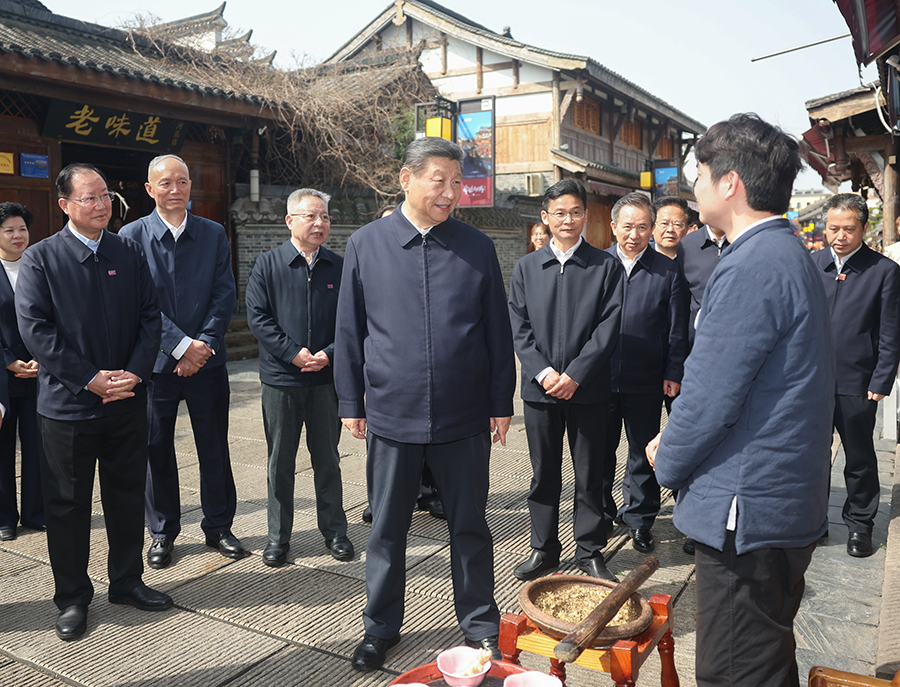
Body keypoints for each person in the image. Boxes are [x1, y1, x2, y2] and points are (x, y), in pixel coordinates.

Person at [647, 114, 834, 687]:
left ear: (730, 182)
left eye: (698, 173)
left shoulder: (751, 264)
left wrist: (667, 460)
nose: (692, 186)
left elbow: (709, 395)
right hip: (778, 501)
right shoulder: (783, 253)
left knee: (733, 671)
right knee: (765, 657)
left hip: (747, 508)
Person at [334, 137, 516, 672]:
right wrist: (352, 399)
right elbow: (350, 330)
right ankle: (380, 628)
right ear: (406, 178)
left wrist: (498, 400)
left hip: (463, 415)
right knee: (387, 528)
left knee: (470, 526)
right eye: (440, 180)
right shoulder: (367, 244)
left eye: (458, 183)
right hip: (392, 411)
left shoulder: (475, 247)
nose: (451, 192)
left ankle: (481, 626)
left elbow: (496, 332)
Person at [16, 163, 172, 642]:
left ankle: (126, 582)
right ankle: (72, 598)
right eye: (90, 198)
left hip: (126, 400)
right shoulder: (42, 259)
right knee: (68, 506)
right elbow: (36, 330)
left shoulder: (127, 250)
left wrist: (134, 374)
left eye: (106, 196)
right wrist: (89, 379)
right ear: (64, 205)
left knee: (126, 497)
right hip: (68, 408)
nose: (102, 205)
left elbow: (151, 317)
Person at [119, 155, 243, 570]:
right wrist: (179, 346)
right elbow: (138, 303)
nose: (176, 190)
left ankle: (220, 525)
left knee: (214, 445)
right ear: (150, 189)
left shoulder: (213, 233)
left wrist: (203, 344)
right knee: (155, 449)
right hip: (155, 365)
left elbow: (225, 293)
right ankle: (162, 532)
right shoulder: (130, 235)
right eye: (166, 183)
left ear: (191, 186)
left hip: (207, 363)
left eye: (183, 182)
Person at [508, 179, 623, 582]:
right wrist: (544, 372)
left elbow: (609, 327)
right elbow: (518, 328)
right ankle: (544, 549)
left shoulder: (605, 266)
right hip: (540, 392)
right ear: (545, 217)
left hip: (588, 389)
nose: (568, 220)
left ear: (586, 216)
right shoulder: (526, 267)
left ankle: (590, 550)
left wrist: (575, 374)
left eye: (575, 212)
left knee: (590, 473)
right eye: (559, 213)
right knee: (543, 475)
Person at [245, 188, 353, 567]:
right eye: (311, 216)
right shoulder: (268, 264)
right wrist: (292, 353)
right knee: (280, 462)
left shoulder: (340, 267)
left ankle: (335, 532)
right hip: (281, 380)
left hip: (325, 380)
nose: (320, 223)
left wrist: (330, 354)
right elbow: (258, 318)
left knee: (328, 458)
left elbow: (353, 320)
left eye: (324, 216)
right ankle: (278, 537)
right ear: (290, 220)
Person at [811, 193, 900, 558]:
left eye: (848, 229)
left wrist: (881, 380)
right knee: (810, 455)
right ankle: (813, 520)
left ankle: (860, 525)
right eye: (833, 228)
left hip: (857, 380)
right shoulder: (811, 264)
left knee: (859, 458)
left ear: (864, 228)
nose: (840, 236)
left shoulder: (884, 271)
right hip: (810, 382)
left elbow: (891, 331)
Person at [602, 192, 688, 554]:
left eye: (642, 227)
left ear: (651, 229)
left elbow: (676, 328)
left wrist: (673, 370)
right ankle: (601, 513)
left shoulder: (667, 271)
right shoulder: (597, 265)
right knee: (599, 451)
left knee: (643, 452)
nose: (634, 234)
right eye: (627, 226)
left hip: (647, 377)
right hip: (599, 378)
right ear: (613, 227)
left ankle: (640, 520)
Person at [360, 203, 444, 525]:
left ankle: (429, 492)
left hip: (427, 377)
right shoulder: (368, 252)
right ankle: (380, 499)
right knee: (384, 453)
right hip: (386, 377)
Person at [0, 203, 41, 542]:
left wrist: (43, 359)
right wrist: (7, 359)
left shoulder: (39, 266)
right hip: (2, 377)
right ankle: (4, 517)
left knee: (38, 445)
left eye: (22, 229)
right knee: (1, 448)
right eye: (9, 230)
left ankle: (35, 511)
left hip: (39, 373)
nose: (17, 235)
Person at [651, 195, 689, 261]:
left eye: (677, 224)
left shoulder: (694, 261)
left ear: (686, 230)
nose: (670, 229)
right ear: (652, 228)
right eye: (664, 223)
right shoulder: (640, 259)